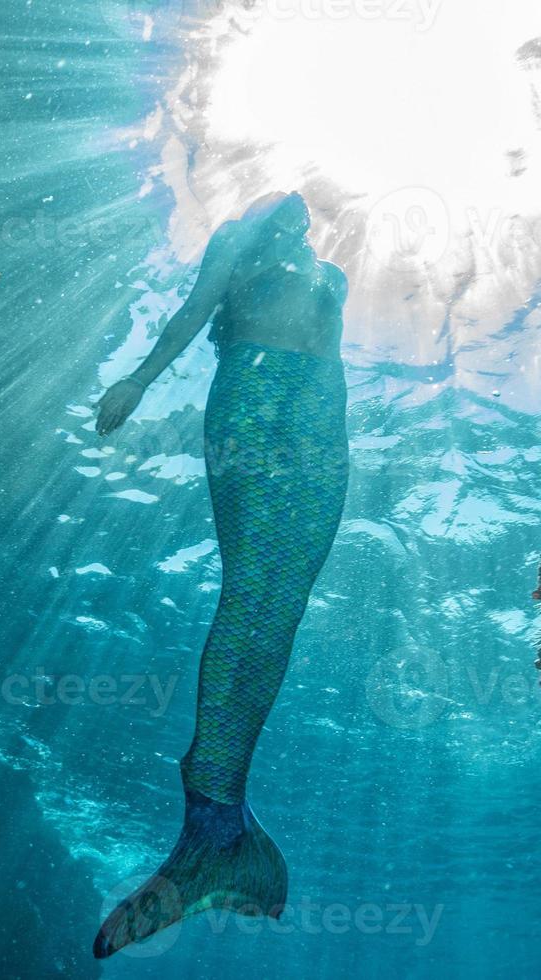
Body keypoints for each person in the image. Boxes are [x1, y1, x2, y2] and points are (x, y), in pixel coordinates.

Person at [91, 193, 350, 959]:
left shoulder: (329, 268)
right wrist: (137, 380)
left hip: (321, 417)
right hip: (255, 394)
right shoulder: (238, 238)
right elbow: (197, 309)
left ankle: (223, 830)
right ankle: (207, 817)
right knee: (249, 594)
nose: (305, 194)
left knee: (283, 608)